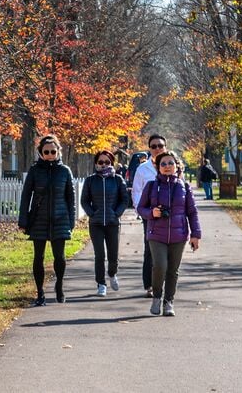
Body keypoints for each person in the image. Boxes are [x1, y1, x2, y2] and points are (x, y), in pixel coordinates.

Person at [136, 150, 202, 316]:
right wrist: (152, 213)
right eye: (163, 164)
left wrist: (196, 234)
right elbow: (140, 208)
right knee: (160, 266)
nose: (167, 166)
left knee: (173, 270)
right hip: (156, 234)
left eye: (170, 163)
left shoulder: (184, 187)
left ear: (177, 166)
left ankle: (168, 302)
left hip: (178, 235)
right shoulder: (151, 186)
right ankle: (157, 297)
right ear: (158, 168)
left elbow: (192, 212)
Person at [18, 135, 76, 306]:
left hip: (60, 219)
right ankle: (40, 292)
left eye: (53, 151)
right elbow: (26, 196)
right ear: (41, 153)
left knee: (60, 257)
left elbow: (70, 199)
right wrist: (23, 220)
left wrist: (71, 222)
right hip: (39, 219)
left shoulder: (65, 171)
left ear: (58, 151)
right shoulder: (35, 171)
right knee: (38, 257)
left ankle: (59, 285)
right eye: (46, 152)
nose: (50, 154)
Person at [80, 149, 128, 296]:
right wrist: (92, 214)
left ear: (111, 163)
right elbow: (84, 201)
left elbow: (124, 199)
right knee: (99, 255)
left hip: (113, 223)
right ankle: (101, 283)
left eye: (107, 162)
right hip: (96, 224)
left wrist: (116, 213)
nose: (104, 164)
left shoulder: (118, 179)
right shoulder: (90, 180)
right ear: (96, 164)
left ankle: (112, 274)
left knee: (113, 256)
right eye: (100, 162)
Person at [131, 134, 168, 297]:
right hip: (150, 216)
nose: (157, 149)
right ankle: (150, 285)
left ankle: (166, 283)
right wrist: (144, 212)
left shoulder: (172, 165)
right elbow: (136, 192)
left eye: (160, 145)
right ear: (149, 149)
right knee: (150, 250)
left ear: (165, 147)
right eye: (154, 146)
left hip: (170, 216)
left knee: (168, 250)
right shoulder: (143, 169)